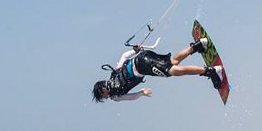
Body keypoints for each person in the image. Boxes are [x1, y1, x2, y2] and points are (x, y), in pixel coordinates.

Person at [91, 38, 223, 102]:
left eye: (103, 95)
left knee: (172, 71)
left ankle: (210, 71)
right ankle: (199, 45)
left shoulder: (115, 96)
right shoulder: (114, 73)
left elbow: (131, 97)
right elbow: (124, 56)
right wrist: (137, 50)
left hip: (143, 66)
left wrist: (142, 93)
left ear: (103, 89)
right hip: (143, 57)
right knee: (172, 62)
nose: (105, 97)